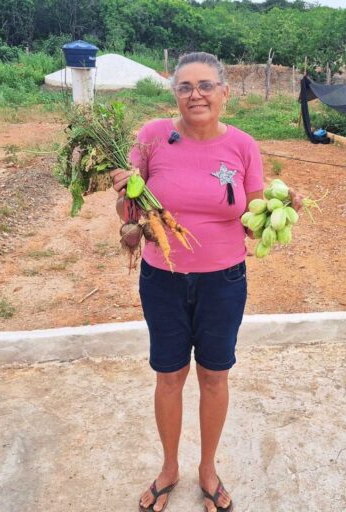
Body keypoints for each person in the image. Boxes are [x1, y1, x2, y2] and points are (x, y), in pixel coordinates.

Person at [109, 52, 301, 512]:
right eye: (185, 87)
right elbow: (128, 215)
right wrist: (125, 193)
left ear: (224, 92)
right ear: (174, 93)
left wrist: (279, 209)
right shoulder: (153, 137)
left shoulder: (243, 146)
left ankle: (208, 469)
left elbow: (253, 221)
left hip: (224, 281)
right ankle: (169, 468)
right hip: (163, 278)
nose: (196, 95)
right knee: (169, 376)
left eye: (206, 86)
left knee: (214, 377)